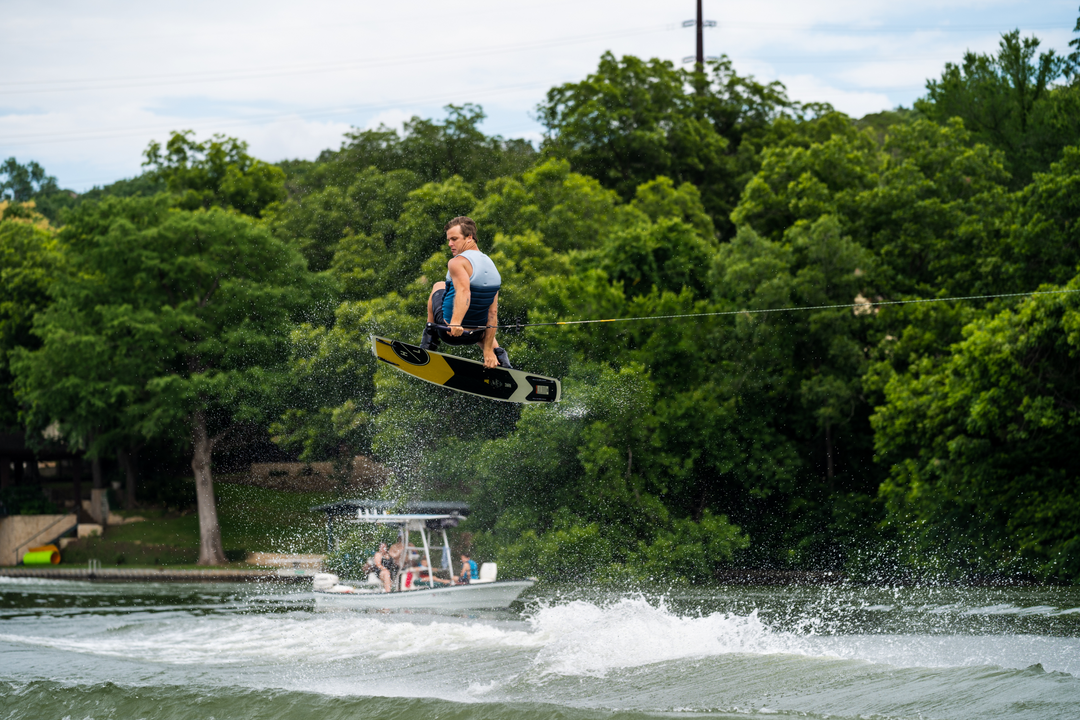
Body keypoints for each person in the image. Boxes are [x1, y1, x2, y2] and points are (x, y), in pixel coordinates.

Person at [420, 216, 511, 369]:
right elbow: (493, 313)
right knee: (482, 317)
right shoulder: (492, 266)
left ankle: (429, 341)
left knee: (438, 285)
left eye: (454, 239)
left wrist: (455, 322)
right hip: (476, 335)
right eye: (449, 239)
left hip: (449, 330)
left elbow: (464, 292)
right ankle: (500, 358)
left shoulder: (457, 262)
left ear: (469, 237)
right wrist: (487, 350)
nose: (450, 244)